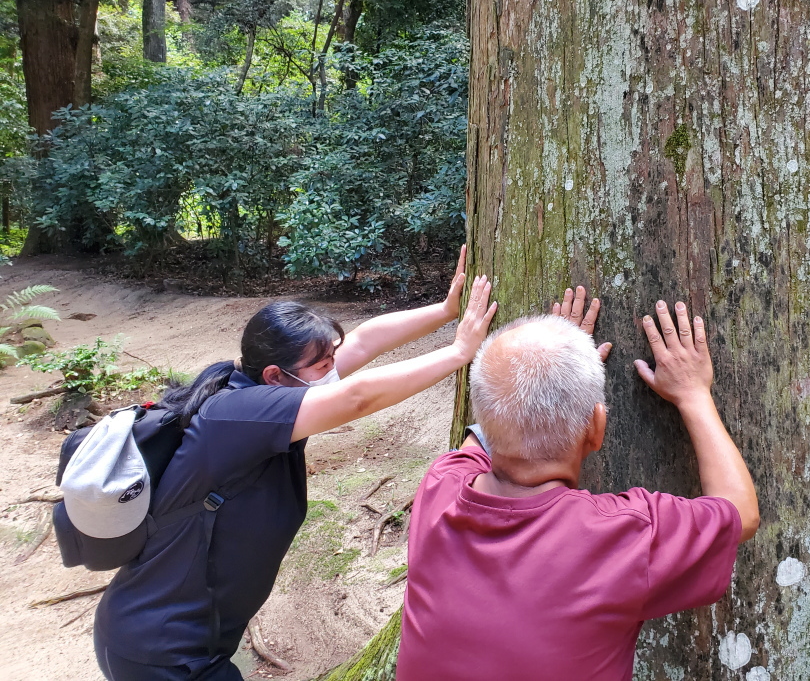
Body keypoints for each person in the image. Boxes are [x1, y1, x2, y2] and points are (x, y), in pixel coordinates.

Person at [92, 248, 497, 681]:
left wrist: (444, 310)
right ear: (274, 376)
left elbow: (362, 342)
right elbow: (356, 397)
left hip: (182, 639)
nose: (332, 372)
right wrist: (458, 353)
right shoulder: (243, 414)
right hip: (161, 651)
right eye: (322, 366)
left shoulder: (262, 392)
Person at [396, 291, 759, 681]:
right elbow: (740, 510)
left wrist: (542, 379)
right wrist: (692, 393)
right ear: (597, 427)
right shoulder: (622, 536)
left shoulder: (440, 486)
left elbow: (482, 435)